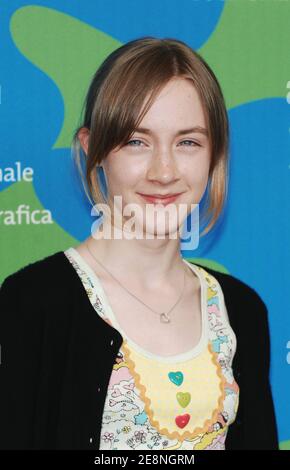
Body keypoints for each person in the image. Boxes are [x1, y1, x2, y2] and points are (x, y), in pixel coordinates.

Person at [0, 37, 278, 450]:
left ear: (214, 154)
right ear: (93, 149)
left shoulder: (242, 311)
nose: (163, 172)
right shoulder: (32, 303)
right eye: (136, 141)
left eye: (187, 142)